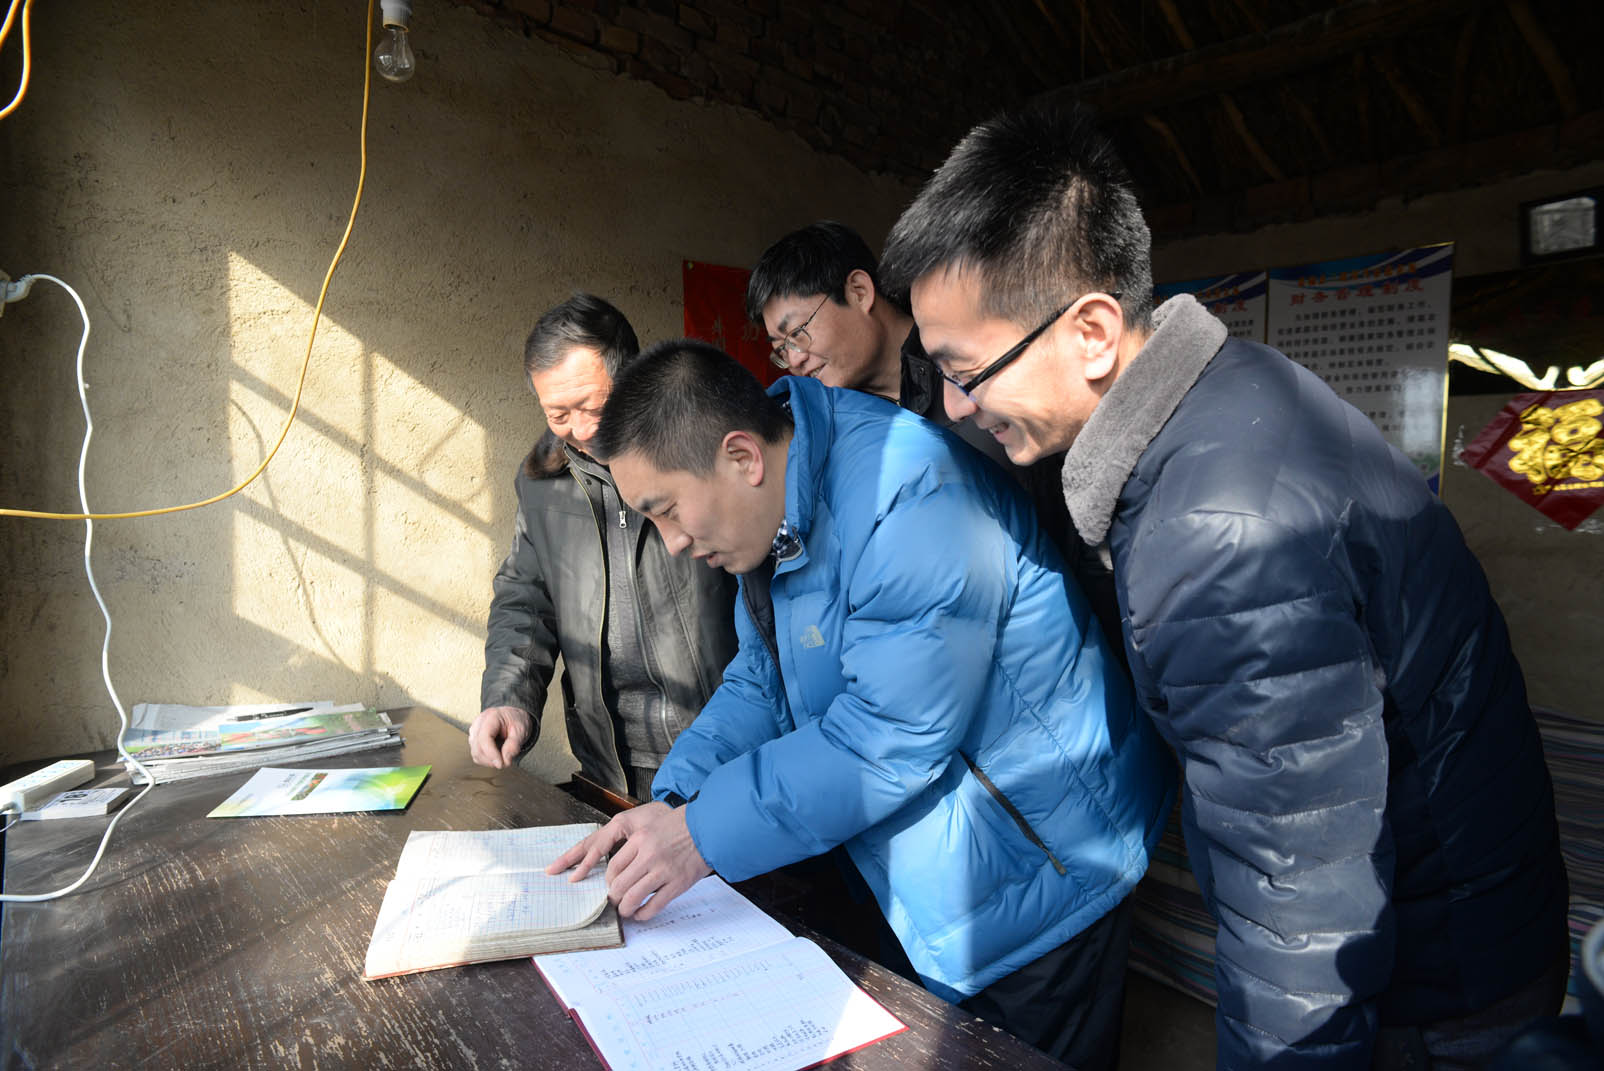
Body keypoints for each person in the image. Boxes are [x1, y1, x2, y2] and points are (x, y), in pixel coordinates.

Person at [878, 96, 1571, 1069]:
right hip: (1470, 906)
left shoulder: (1214, 534)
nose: (955, 407)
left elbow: (1300, 901)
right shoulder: (1231, 390)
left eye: (964, 370)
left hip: (1440, 974)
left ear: (1090, 332)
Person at [549, 341, 1174, 1069]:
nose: (675, 543)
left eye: (667, 511)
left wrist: (700, 834)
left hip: (1044, 859)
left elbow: (888, 734)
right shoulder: (781, 504)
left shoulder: (910, 493)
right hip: (940, 863)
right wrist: (675, 802)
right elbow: (762, 680)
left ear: (742, 457)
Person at [749, 220, 1126, 662]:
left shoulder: (982, 362)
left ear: (859, 291)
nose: (794, 359)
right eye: (781, 348)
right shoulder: (830, 435)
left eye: (798, 333)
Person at [470, 294, 738, 800]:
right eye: (558, 414)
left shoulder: (700, 452)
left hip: (721, 743)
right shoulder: (542, 482)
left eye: (593, 406)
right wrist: (508, 699)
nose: (582, 430)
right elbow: (525, 601)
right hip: (608, 760)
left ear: (633, 378)